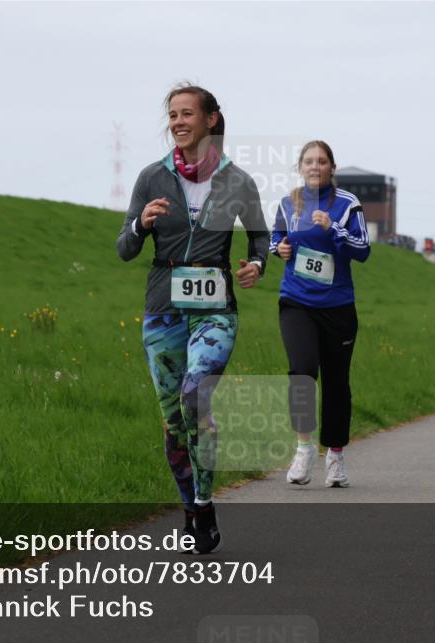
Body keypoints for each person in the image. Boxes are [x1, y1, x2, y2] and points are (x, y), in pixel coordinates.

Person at [116, 84, 269, 553]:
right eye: (173, 115)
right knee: (173, 422)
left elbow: (260, 238)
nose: (179, 122)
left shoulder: (238, 181)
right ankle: (192, 506)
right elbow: (124, 248)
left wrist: (256, 264)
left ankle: (204, 498)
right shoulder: (151, 177)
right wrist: (141, 224)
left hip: (215, 311)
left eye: (187, 114)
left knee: (194, 396)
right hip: (163, 310)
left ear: (211, 119)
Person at [272, 140, 370, 487]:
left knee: (336, 383)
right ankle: (303, 449)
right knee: (301, 372)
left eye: (322, 161)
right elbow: (277, 239)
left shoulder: (347, 204)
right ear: (301, 167)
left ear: (332, 168)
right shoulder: (289, 202)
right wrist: (279, 248)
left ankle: (336, 456)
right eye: (309, 161)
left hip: (338, 307)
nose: (315, 166)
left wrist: (334, 229)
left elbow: (363, 250)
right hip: (297, 301)